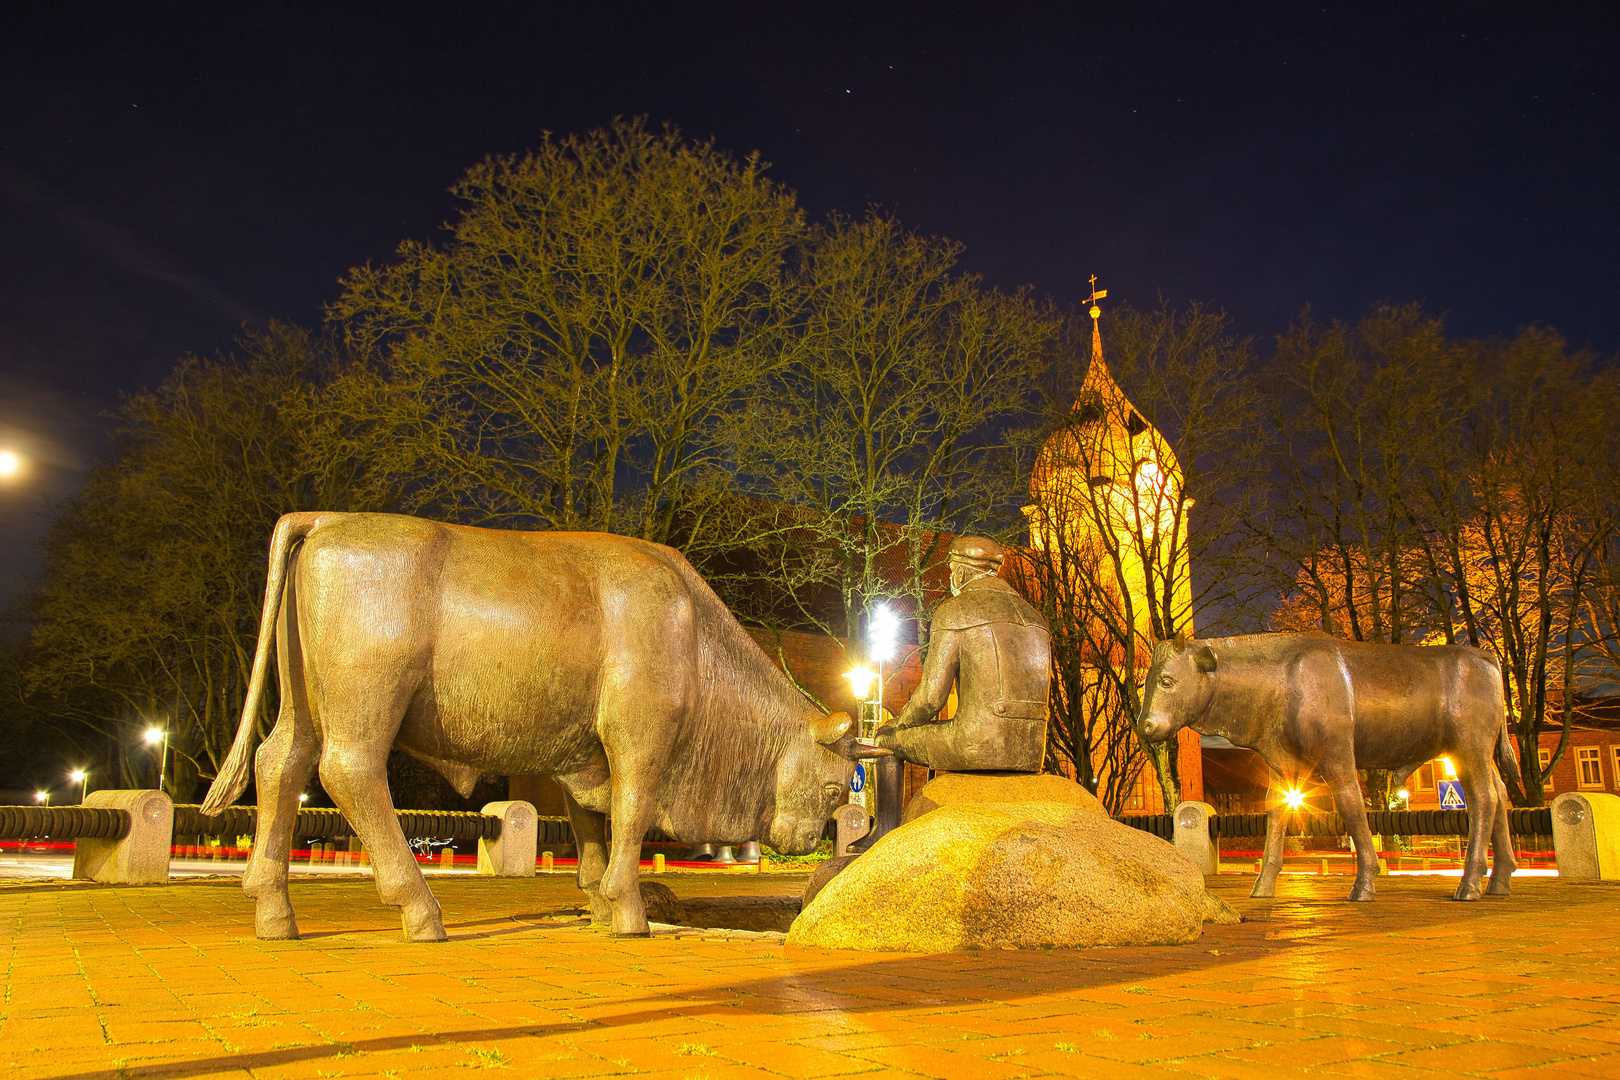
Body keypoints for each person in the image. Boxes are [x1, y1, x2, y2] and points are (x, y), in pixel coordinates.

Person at [850, 536, 1051, 851]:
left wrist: (899, 725)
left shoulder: (956, 610)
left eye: (951, 571)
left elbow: (931, 697)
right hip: (1029, 748)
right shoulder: (1035, 617)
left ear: (959, 574)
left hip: (978, 741)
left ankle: (884, 833)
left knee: (885, 740)